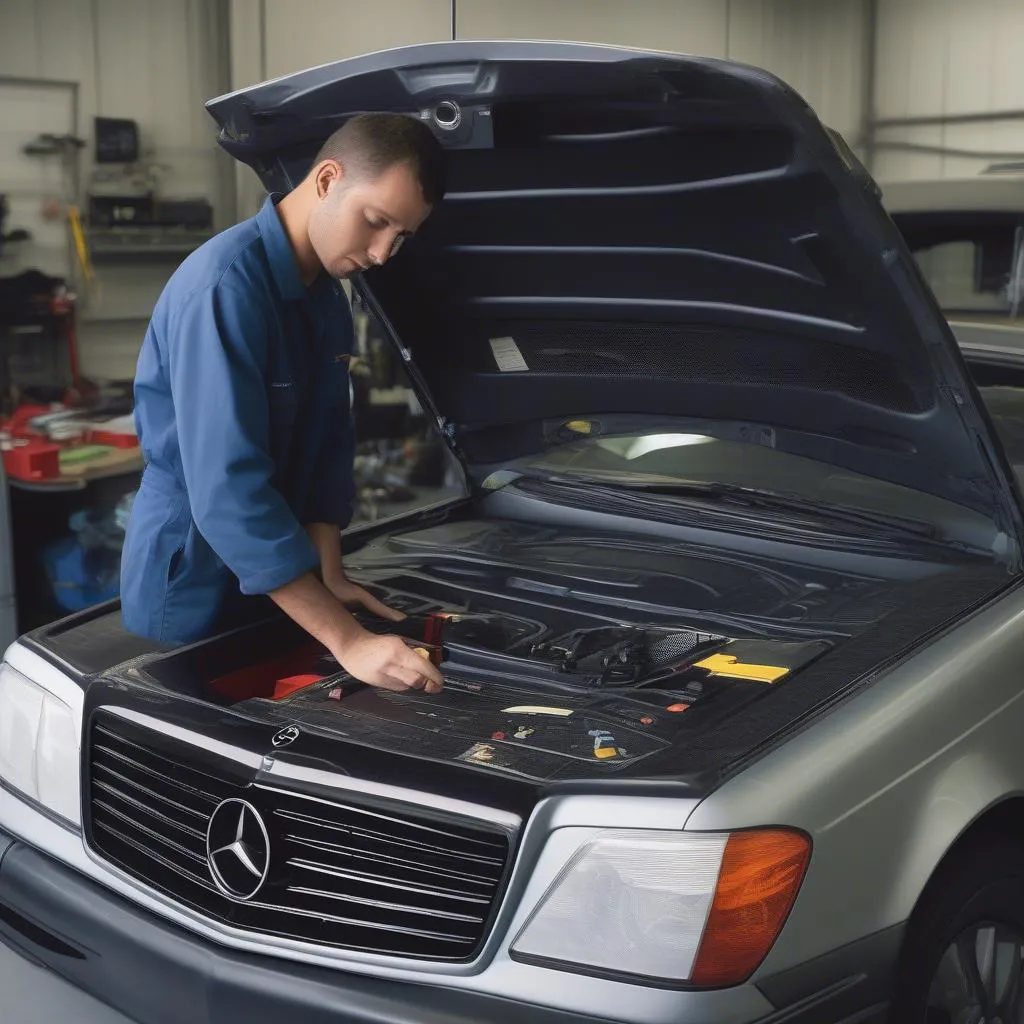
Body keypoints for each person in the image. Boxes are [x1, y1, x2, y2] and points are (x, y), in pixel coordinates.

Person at [119, 113, 445, 695]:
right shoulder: (224, 290)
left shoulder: (324, 297)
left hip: (284, 575)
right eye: (375, 222)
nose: (381, 253)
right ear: (325, 180)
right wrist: (349, 640)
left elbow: (326, 443)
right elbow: (226, 491)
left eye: (399, 236)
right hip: (196, 579)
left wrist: (330, 573)